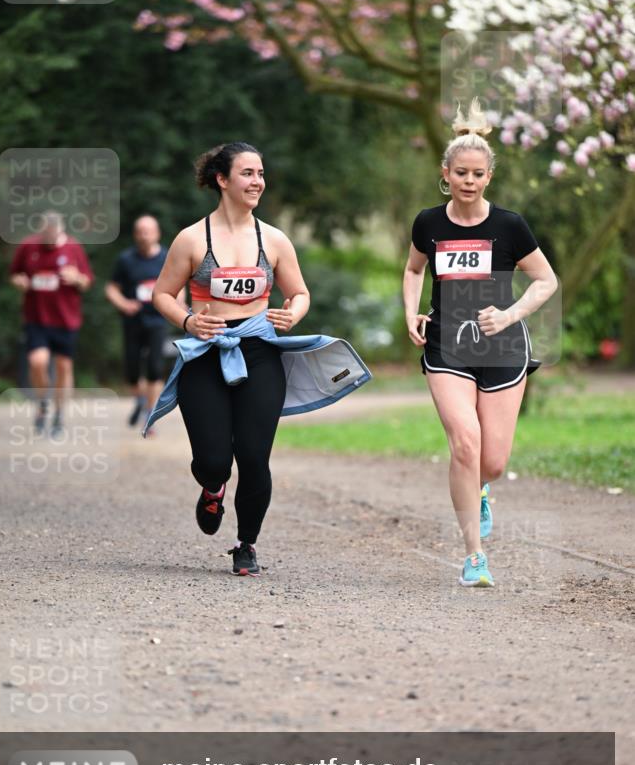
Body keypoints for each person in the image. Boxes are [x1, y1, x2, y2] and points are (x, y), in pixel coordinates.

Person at [146, 141, 371, 576]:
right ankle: (213, 487)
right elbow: (161, 294)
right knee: (214, 459)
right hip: (207, 354)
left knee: (253, 455)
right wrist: (189, 322)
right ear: (222, 179)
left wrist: (293, 314)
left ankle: (245, 543)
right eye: (248, 173)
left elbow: (300, 292)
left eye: (261, 174)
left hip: (260, 352)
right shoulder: (192, 239)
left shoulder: (274, 240)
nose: (258, 182)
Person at [403, 98, 557, 588]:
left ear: (488, 176)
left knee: (492, 461)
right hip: (447, 346)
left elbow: (545, 281)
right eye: (460, 173)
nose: (468, 181)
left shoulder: (509, 226)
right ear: (445, 173)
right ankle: (474, 556)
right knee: (465, 446)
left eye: (477, 174)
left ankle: (482, 489)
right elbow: (412, 270)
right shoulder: (429, 223)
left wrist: (509, 314)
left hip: (503, 349)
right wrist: (411, 312)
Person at [9, 211, 94, 437]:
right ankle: (43, 403)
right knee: (37, 362)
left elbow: (87, 281)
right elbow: (15, 274)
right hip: (36, 317)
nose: (48, 239)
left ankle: (59, 415)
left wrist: (76, 278)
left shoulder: (73, 249)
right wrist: (20, 281)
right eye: (45, 234)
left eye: (53, 235)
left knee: (63, 368)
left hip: (66, 319)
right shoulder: (28, 247)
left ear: (60, 231)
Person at [105, 214, 170, 429]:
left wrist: (176, 307)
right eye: (140, 232)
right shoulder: (126, 259)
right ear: (135, 235)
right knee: (132, 370)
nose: (144, 236)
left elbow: (178, 286)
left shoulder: (166, 257)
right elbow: (111, 288)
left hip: (157, 320)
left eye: (148, 231)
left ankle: (149, 415)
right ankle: (141, 400)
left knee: (154, 367)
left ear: (157, 233)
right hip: (133, 321)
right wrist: (124, 304)